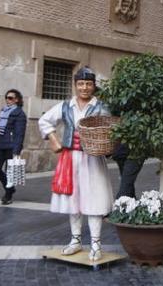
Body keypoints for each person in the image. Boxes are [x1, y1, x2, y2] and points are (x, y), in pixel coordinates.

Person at [38, 67, 113, 261]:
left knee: (94, 199)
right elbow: (44, 121)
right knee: (74, 201)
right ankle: (75, 240)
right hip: (71, 158)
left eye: (88, 84)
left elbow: (112, 129)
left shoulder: (101, 107)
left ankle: (96, 244)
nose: (85, 88)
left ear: (94, 86)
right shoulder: (65, 106)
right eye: (81, 84)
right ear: (75, 85)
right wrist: (53, 139)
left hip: (93, 159)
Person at [0, 89, 27, 205]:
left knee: (10, 172)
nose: (8, 100)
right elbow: (0, 127)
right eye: (6, 97)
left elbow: (20, 133)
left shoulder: (20, 114)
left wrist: (17, 149)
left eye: (10, 98)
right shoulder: (3, 111)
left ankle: (8, 195)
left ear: (17, 99)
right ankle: (10, 188)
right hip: (0, 144)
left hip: (11, 146)